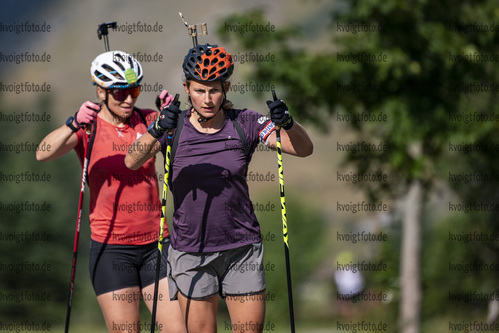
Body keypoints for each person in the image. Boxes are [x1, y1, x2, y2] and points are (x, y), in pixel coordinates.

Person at [125, 43, 313, 333]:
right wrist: (157, 129)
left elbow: (303, 149)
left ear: (226, 87)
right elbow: (131, 161)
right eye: (199, 90)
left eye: (214, 90)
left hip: (242, 248)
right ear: (186, 88)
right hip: (190, 252)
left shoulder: (246, 122)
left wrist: (289, 123)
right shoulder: (173, 128)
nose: (207, 99)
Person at [36, 50, 185, 333]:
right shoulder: (87, 127)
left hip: (158, 244)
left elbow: (184, 147)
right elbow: (43, 154)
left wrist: (171, 121)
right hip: (112, 249)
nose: (129, 99)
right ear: (101, 91)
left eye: (135, 90)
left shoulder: (149, 119)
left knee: (178, 330)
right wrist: (73, 123)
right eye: (120, 93)